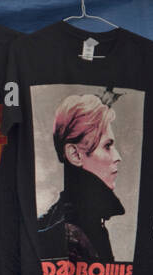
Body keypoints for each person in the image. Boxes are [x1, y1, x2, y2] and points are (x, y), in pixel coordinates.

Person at [37, 93, 125, 264]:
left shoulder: (80, 221)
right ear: (75, 154)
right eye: (107, 146)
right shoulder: (72, 233)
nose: (118, 156)